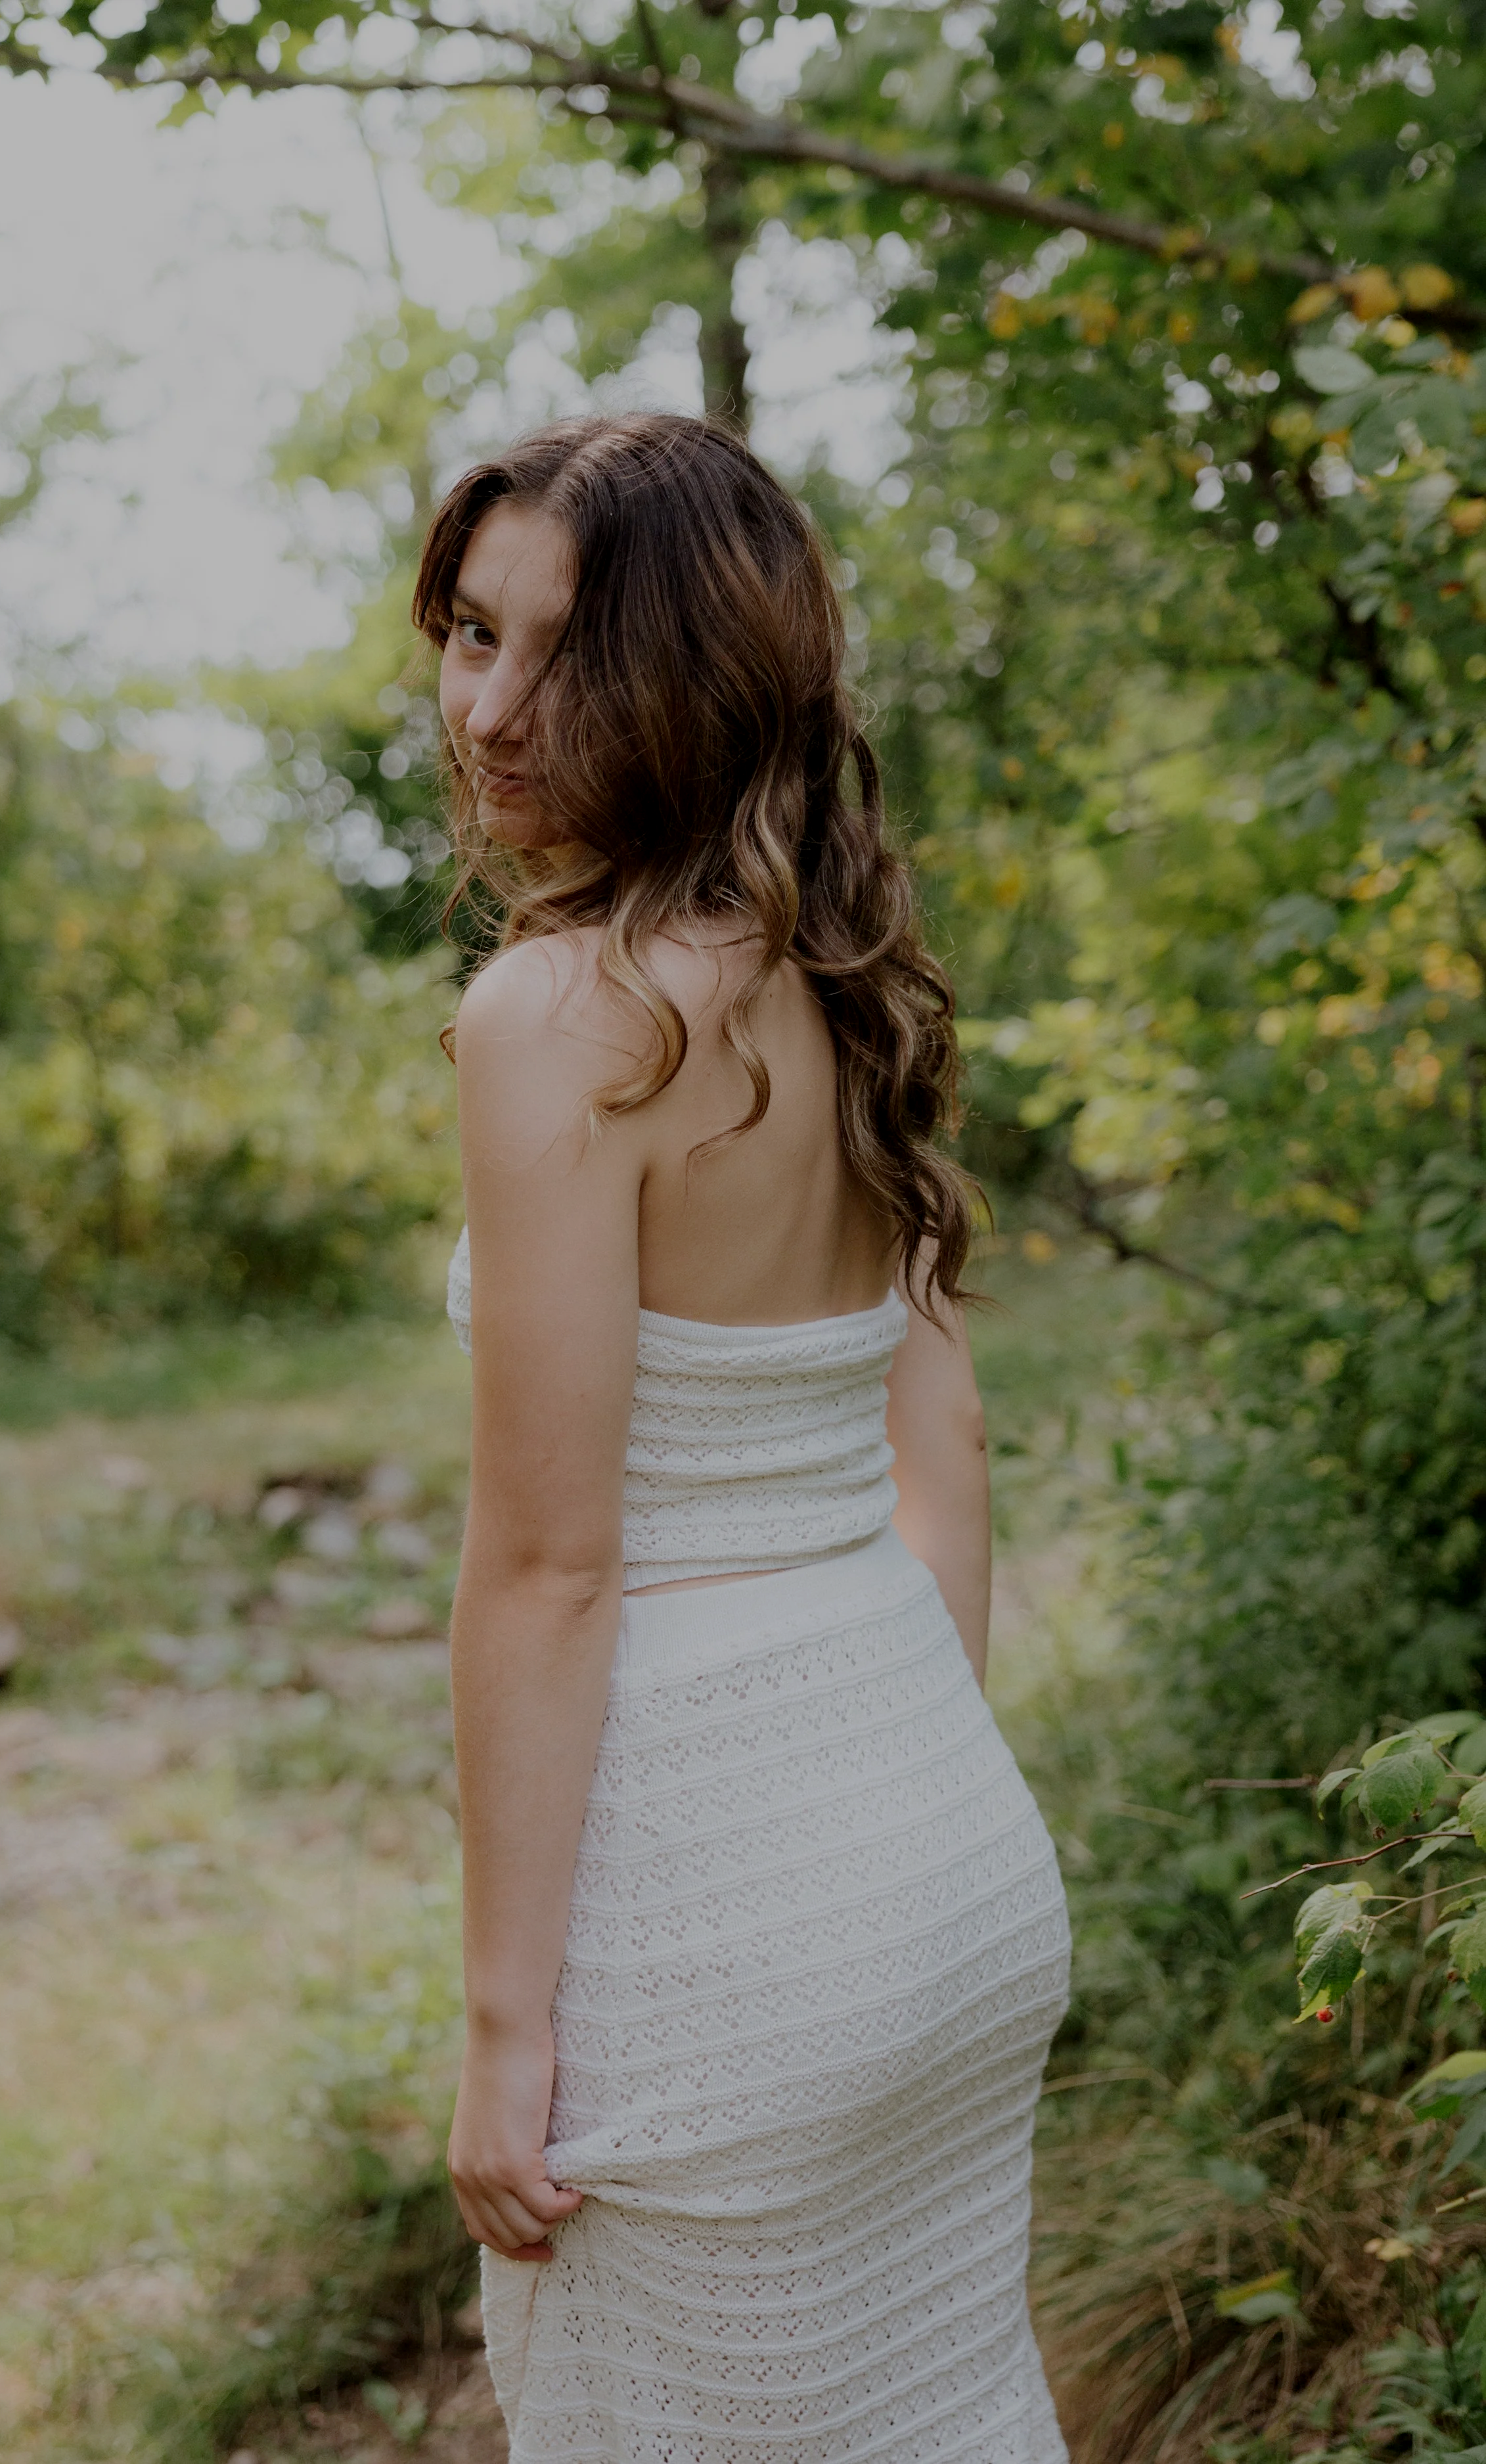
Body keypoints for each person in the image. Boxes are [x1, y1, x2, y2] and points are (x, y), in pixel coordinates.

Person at [414, 413, 1071, 2460]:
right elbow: (933, 1426)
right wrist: (891, 1811)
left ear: (694, 681)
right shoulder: (844, 970)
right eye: (466, 632)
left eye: (566, 655)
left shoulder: (559, 1019)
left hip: (712, 1903)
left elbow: (550, 1563)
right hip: (937, 1852)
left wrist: (505, 2030)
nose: (494, 709)